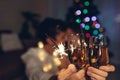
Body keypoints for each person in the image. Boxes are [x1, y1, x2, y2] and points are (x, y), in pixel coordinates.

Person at [21, 18, 115, 80]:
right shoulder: (33, 54)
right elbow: (35, 75)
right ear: (50, 41)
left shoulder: (64, 53)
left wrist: (90, 73)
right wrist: (59, 78)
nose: (66, 40)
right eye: (63, 37)